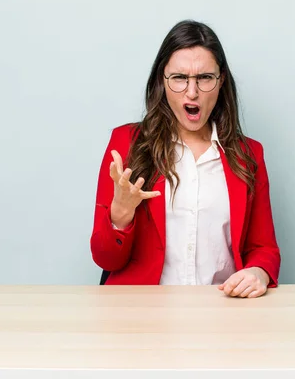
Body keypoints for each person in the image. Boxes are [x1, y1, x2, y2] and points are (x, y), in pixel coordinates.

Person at [90, 20, 280, 298]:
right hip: (141, 316)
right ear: (162, 81)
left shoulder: (249, 155)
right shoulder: (127, 144)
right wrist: (120, 215)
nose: (192, 92)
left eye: (204, 78)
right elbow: (105, 259)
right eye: (179, 78)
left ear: (221, 80)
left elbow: (264, 248)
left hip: (223, 314)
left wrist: (258, 272)